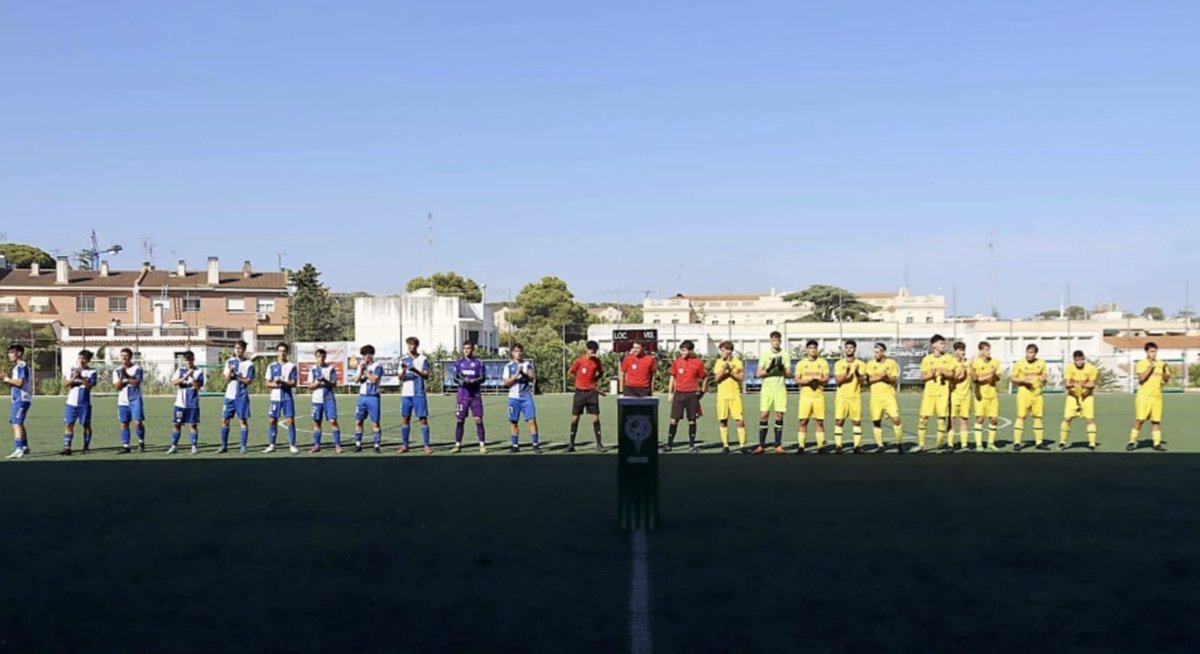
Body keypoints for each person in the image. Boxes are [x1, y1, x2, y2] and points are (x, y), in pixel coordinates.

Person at [667, 340, 708, 453]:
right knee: (674, 420)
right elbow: (672, 378)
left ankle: (691, 445)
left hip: (692, 394)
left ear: (690, 351)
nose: (682, 352)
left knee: (692, 420)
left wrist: (703, 390)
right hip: (679, 393)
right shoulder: (677, 362)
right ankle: (669, 444)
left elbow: (704, 376)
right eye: (681, 350)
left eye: (684, 350)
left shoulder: (698, 363)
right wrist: (670, 393)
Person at [754, 331, 791, 454]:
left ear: (780, 341)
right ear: (770, 341)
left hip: (780, 389)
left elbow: (789, 374)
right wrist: (769, 369)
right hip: (767, 389)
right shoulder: (765, 354)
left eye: (778, 340)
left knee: (779, 415)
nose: (776, 342)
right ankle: (761, 445)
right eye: (774, 339)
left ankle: (777, 445)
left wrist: (781, 369)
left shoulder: (785, 354)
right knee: (764, 415)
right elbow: (758, 374)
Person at [1128, 342, 1169, 452]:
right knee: (1140, 420)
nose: (1154, 354)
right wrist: (1150, 368)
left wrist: (1165, 369)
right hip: (1144, 396)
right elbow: (1141, 379)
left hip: (1156, 396)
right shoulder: (1142, 363)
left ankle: (1157, 443)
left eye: (1155, 351)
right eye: (1151, 351)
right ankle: (1132, 441)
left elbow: (1166, 379)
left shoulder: (1161, 363)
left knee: (1156, 421)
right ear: (1146, 352)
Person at [567, 340, 606, 453]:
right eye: (591, 351)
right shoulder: (579, 361)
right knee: (575, 418)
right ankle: (571, 444)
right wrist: (577, 381)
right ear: (587, 349)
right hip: (579, 393)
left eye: (594, 351)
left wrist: (594, 381)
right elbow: (570, 372)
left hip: (592, 393)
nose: (592, 353)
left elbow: (601, 372)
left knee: (595, 418)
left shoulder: (597, 361)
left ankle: (599, 444)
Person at [917, 335, 954, 453]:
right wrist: (931, 375)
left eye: (944, 343)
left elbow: (952, 375)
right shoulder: (927, 359)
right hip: (929, 393)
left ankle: (938, 446)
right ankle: (921, 445)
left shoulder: (948, 358)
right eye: (941, 343)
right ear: (934, 345)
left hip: (943, 393)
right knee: (923, 418)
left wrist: (944, 373)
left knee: (941, 419)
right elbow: (923, 377)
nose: (944, 346)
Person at [865, 342, 903, 453]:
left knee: (896, 419)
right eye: (874, 352)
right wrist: (880, 377)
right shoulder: (870, 364)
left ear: (883, 352)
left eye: (878, 352)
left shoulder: (891, 363)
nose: (875, 354)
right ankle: (880, 446)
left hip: (889, 397)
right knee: (876, 421)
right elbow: (868, 380)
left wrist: (885, 377)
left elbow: (894, 380)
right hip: (875, 398)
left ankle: (899, 444)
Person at [503, 343, 540, 453]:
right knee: (513, 421)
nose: (518, 353)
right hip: (513, 398)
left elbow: (532, 378)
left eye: (520, 351)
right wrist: (515, 376)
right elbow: (506, 382)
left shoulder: (527, 364)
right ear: (512, 353)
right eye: (516, 351)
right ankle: (515, 445)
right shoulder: (508, 366)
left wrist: (523, 374)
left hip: (526, 396)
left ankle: (535, 444)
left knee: (531, 419)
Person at [219, 340, 255, 454]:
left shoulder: (249, 364)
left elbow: (248, 381)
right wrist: (230, 372)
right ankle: (224, 445)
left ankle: (243, 446)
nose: (237, 350)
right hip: (229, 396)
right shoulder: (229, 361)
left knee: (242, 421)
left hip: (242, 396)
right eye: (236, 348)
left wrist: (237, 376)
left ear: (244, 350)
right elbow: (226, 379)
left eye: (239, 348)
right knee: (225, 420)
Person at [452, 339, 487, 454]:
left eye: (468, 348)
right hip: (462, 396)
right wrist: (462, 381)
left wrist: (472, 381)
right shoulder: (459, 362)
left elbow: (483, 378)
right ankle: (458, 445)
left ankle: (482, 444)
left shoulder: (478, 362)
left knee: (478, 419)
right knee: (460, 420)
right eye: (465, 348)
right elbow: (455, 378)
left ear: (472, 349)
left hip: (475, 396)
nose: (466, 350)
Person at [1010, 344, 1048, 451]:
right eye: (1027, 352)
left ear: (1035, 353)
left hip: (1037, 394)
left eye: (1031, 353)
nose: (1029, 355)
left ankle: (1039, 442)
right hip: (1024, 393)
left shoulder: (1041, 363)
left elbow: (1044, 375)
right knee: (1021, 416)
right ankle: (1017, 443)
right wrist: (1023, 381)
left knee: (1037, 417)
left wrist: (1043, 379)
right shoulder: (1019, 363)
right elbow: (1012, 378)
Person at [794, 340, 829, 454]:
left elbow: (826, 379)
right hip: (805, 397)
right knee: (803, 421)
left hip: (818, 396)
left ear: (817, 349)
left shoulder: (823, 363)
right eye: (810, 348)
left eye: (814, 348)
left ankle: (820, 446)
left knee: (819, 421)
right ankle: (801, 446)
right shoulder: (801, 363)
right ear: (807, 350)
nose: (812, 350)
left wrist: (818, 380)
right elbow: (797, 380)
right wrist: (807, 381)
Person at [398, 337, 432, 454]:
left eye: (412, 345)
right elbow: (400, 377)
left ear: (417, 345)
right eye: (409, 345)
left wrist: (415, 370)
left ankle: (426, 445)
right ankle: (405, 445)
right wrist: (403, 371)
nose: (410, 347)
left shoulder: (423, 359)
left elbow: (426, 375)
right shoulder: (403, 359)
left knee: (422, 419)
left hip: (418, 393)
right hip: (406, 394)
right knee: (405, 418)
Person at [833, 340, 867, 454]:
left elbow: (863, 382)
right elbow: (838, 381)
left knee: (856, 422)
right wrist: (846, 376)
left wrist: (857, 373)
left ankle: (857, 446)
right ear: (844, 349)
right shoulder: (839, 363)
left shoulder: (861, 364)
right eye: (847, 347)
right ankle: (838, 446)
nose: (849, 349)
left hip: (855, 397)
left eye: (851, 347)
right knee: (839, 421)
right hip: (841, 397)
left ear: (855, 349)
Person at [264, 343, 299, 454]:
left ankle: (292, 445)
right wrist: (277, 384)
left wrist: (283, 382)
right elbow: (267, 383)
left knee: (290, 420)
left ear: (287, 352)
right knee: (272, 420)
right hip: (275, 398)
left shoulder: (291, 366)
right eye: (280, 351)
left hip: (287, 397)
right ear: (277, 352)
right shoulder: (271, 366)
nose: (282, 353)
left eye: (284, 351)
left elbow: (293, 383)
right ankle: (272, 445)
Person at [712, 340, 746, 453]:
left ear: (729, 351)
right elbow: (716, 379)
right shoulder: (718, 362)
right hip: (722, 396)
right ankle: (726, 445)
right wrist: (724, 369)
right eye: (721, 351)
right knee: (723, 420)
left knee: (740, 420)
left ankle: (742, 445)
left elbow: (741, 378)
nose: (722, 353)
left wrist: (730, 371)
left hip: (735, 395)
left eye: (723, 350)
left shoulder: (738, 362)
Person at [61, 349, 97, 455]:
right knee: (68, 424)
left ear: (88, 360)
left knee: (86, 425)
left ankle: (86, 446)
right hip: (71, 403)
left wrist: (81, 378)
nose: (81, 360)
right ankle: (67, 447)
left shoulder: (92, 371)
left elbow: (90, 386)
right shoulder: (72, 369)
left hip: (84, 403)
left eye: (84, 359)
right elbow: (66, 384)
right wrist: (74, 378)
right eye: (80, 358)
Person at [1061, 350, 1099, 451]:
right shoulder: (1069, 367)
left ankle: (1092, 443)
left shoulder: (1091, 368)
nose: (1080, 362)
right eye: (1077, 360)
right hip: (1072, 397)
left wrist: (1082, 385)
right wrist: (1074, 384)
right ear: (1074, 360)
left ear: (1084, 359)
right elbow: (1067, 384)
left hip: (1087, 397)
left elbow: (1092, 384)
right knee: (1067, 419)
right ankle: (1062, 442)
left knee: (1089, 419)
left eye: (1081, 359)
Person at [169, 351, 204, 455]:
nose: (188, 362)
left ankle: (194, 447)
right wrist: (184, 377)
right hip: (180, 403)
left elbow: (198, 386)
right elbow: (174, 382)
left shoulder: (198, 371)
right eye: (187, 360)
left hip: (192, 402)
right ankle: (174, 446)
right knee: (176, 424)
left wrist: (191, 376)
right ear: (184, 361)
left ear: (193, 359)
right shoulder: (180, 370)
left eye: (190, 359)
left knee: (192, 425)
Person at [307, 348, 341, 453]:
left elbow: (334, 384)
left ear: (325, 357)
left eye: (322, 356)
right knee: (317, 422)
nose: (321, 358)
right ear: (316, 357)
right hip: (317, 399)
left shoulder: (330, 369)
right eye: (318, 356)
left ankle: (337, 445)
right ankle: (317, 445)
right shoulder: (312, 369)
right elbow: (309, 386)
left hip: (328, 398)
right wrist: (316, 383)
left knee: (333, 421)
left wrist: (325, 381)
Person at [970, 341, 1002, 451]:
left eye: (989, 349)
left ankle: (990, 443)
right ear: (981, 351)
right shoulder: (976, 363)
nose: (989, 352)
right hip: (981, 395)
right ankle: (979, 444)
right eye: (986, 350)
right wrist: (989, 374)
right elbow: (975, 379)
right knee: (980, 418)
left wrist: (992, 376)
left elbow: (997, 378)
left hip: (992, 395)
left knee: (994, 419)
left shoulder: (995, 362)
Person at [114, 347, 146, 454]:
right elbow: (117, 387)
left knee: (137, 422)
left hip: (135, 399)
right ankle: (126, 446)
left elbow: (136, 383)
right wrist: (122, 377)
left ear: (130, 357)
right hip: (123, 400)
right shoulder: (117, 370)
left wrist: (126, 376)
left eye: (126, 356)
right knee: (124, 423)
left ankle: (141, 442)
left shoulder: (137, 368)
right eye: (122, 356)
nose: (124, 358)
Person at [2, 344, 31, 459]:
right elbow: (15, 383)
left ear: (19, 353)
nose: (9, 355)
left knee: (16, 423)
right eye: (9, 352)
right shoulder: (17, 367)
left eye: (12, 352)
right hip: (18, 399)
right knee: (19, 422)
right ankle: (24, 446)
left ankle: (18, 449)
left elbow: (20, 383)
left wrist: (7, 379)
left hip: (22, 399)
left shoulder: (21, 366)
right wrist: (6, 380)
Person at [353, 345, 384, 453]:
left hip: (373, 397)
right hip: (362, 397)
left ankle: (376, 445)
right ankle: (358, 444)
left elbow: (374, 379)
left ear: (372, 355)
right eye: (364, 355)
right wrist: (360, 370)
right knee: (358, 421)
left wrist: (365, 370)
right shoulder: (361, 366)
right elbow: (356, 380)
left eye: (368, 354)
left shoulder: (377, 366)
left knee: (375, 422)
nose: (366, 357)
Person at [948, 342, 972, 451]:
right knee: (952, 420)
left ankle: (964, 445)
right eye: (960, 350)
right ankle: (950, 444)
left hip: (966, 395)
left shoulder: (968, 362)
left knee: (964, 420)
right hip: (954, 395)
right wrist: (961, 370)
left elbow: (973, 376)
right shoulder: (951, 362)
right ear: (955, 351)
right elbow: (953, 379)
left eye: (963, 350)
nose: (962, 352)